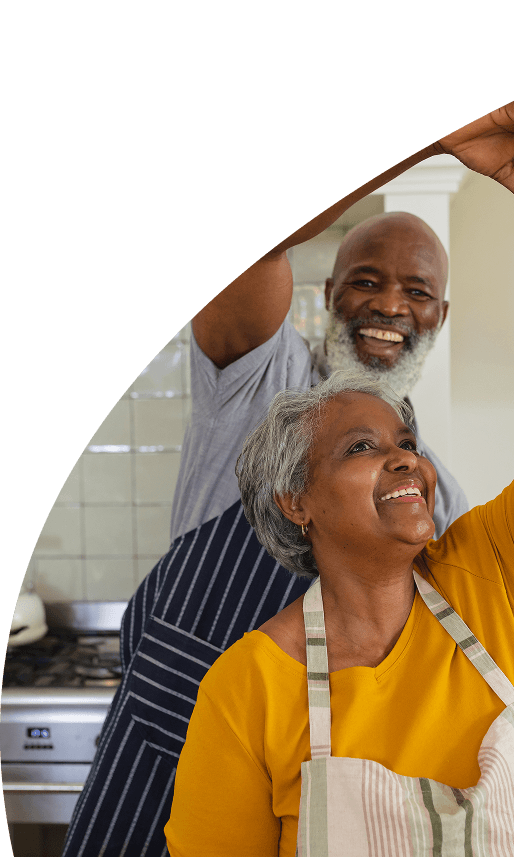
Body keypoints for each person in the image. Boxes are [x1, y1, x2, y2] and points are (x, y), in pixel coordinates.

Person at [61, 101, 514, 856]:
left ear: (441, 313)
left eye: (416, 291)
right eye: (366, 280)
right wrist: (426, 138)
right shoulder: (260, 383)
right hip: (158, 768)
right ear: (328, 290)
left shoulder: (436, 498)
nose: (391, 304)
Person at [165, 369, 514, 855]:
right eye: (361, 448)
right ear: (295, 501)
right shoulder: (247, 687)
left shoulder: (492, 566)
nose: (405, 460)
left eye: (408, 442)